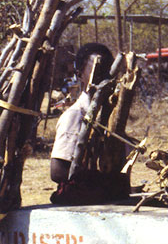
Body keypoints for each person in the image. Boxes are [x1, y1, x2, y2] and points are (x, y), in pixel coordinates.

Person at [49, 42, 129, 204]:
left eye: (108, 71)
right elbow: (57, 172)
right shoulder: (75, 116)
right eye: (98, 71)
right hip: (84, 203)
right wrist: (102, 182)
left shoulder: (112, 115)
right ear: (79, 75)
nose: (105, 78)